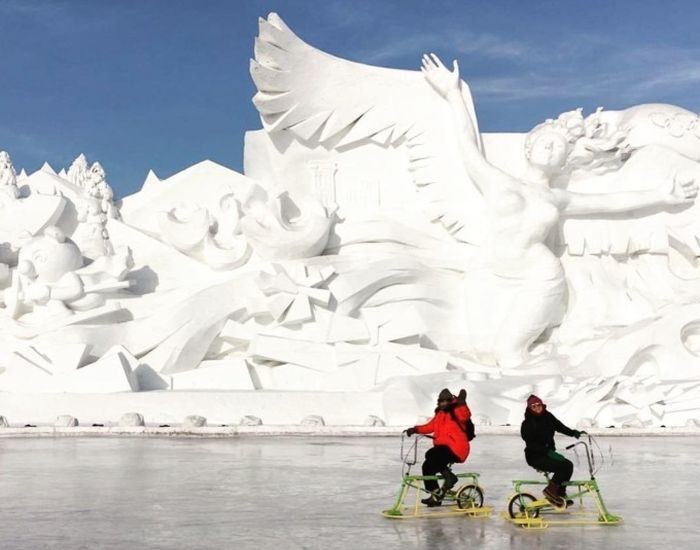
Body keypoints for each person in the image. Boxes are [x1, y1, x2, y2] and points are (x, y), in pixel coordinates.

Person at [420, 53, 698, 368]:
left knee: (510, 353)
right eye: (546, 144)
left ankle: (535, 397)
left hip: (539, 276)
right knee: (482, 349)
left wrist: (662, 195)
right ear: (529, 148)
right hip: (489, 273)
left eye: (558, 149)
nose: (552, 150)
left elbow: (612, 202)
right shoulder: (495, 180)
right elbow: (466, 144)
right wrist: (452, 94)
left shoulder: (556, 198)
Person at [404, 388, 471, 507]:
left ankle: (450, 478)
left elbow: (465, 415)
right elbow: (430, 426)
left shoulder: (456, 410)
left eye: (446, 401)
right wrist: (415, 429)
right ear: (439, 402)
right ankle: (435, 494)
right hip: (443, 448)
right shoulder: (439, 414)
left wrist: (462, 403)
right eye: (441, 401)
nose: (443, 403)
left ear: (450, 401)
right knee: (427, 466)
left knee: (432, 454)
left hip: (457, 448)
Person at [520, 394, 582, 507]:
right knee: (562, 467)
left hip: (548, 453)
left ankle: (560, 493)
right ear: (530, 408)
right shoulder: (527, 424)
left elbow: (560, 427)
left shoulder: (548, 417)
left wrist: (573, 433)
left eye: (538, 405)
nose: (537, 407)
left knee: (568, 465)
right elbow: (531, 445)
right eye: (533, 406)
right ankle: (550, 491)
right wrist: (547, 452)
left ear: (542, 405)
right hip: (535, 457)